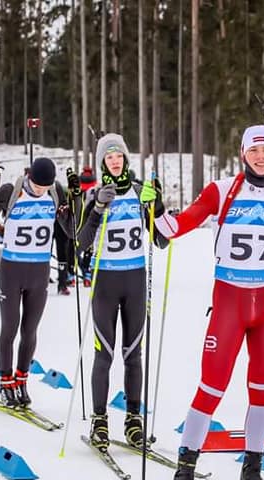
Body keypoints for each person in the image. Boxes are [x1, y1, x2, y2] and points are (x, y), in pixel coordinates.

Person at [154, 124, 264, 480]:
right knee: (211, 387)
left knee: (262, 392)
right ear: (243, 153)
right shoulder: (222, 190)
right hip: (229, 304)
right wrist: (157, 213)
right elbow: (179, 225)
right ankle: (184, 472)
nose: (261, 157)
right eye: (254, 150)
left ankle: (252, 473)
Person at [77, 134, 168, 451]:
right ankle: (99, 420)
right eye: (109, 157)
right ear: (102, 162)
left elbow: (162, 241)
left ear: (126, 159)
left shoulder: (140, 191)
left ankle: (133, 420)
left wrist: (158, 205)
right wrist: (97, 208)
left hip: (135, 281)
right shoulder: (94, 195)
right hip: (105, 282)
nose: (115, 161)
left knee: (133, 354)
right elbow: (79, 243)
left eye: (119, 156)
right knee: (104, 354)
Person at [0, 158, 75, 407]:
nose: (40, 190)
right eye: (37, 186)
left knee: (30, 331)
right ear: (29, 178)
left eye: (45, 187)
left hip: (39, 272)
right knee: (10, 328)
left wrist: (76, 199)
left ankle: (21, 380)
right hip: (12, 271)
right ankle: (5, 383)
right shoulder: (11, 191)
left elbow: (71, 231)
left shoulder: (55, 193)